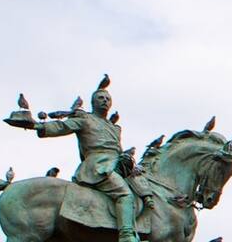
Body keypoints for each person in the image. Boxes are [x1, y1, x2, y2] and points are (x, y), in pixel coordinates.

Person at [9, 75, 139, 242]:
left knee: (142, 190)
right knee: (124, 194)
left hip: (117, 166)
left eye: (107, 98)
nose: (105, 101)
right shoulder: (85, 119)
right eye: (100, 98)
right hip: (97, 166)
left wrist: (127, 161)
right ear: (93, 103)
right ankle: (126, 235)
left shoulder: (114, 128)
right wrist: (38, 126)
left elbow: (118, 150)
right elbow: (63, 126)